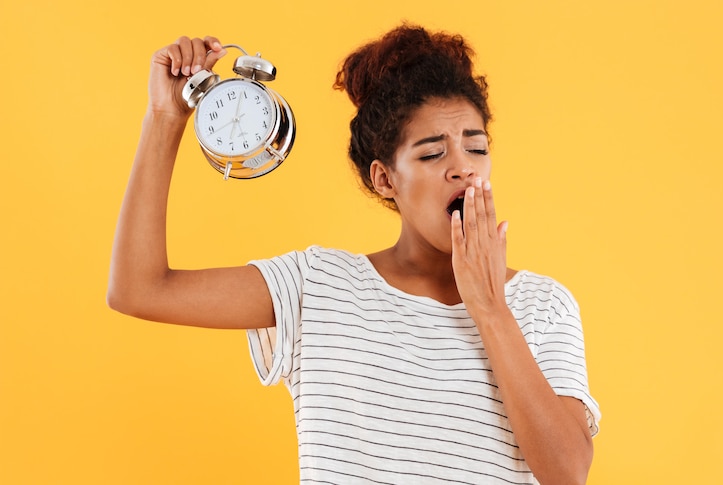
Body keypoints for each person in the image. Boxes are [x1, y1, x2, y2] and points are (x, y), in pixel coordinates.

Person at [108, 24, 600, 484]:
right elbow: (138, 289)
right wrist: (164, 117)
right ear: (384, 178)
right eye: (432, 153)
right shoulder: (317, 286)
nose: (463, 169)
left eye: (476, 147)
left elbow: (566, 471)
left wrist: (490, 306)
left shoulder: (542, 304)